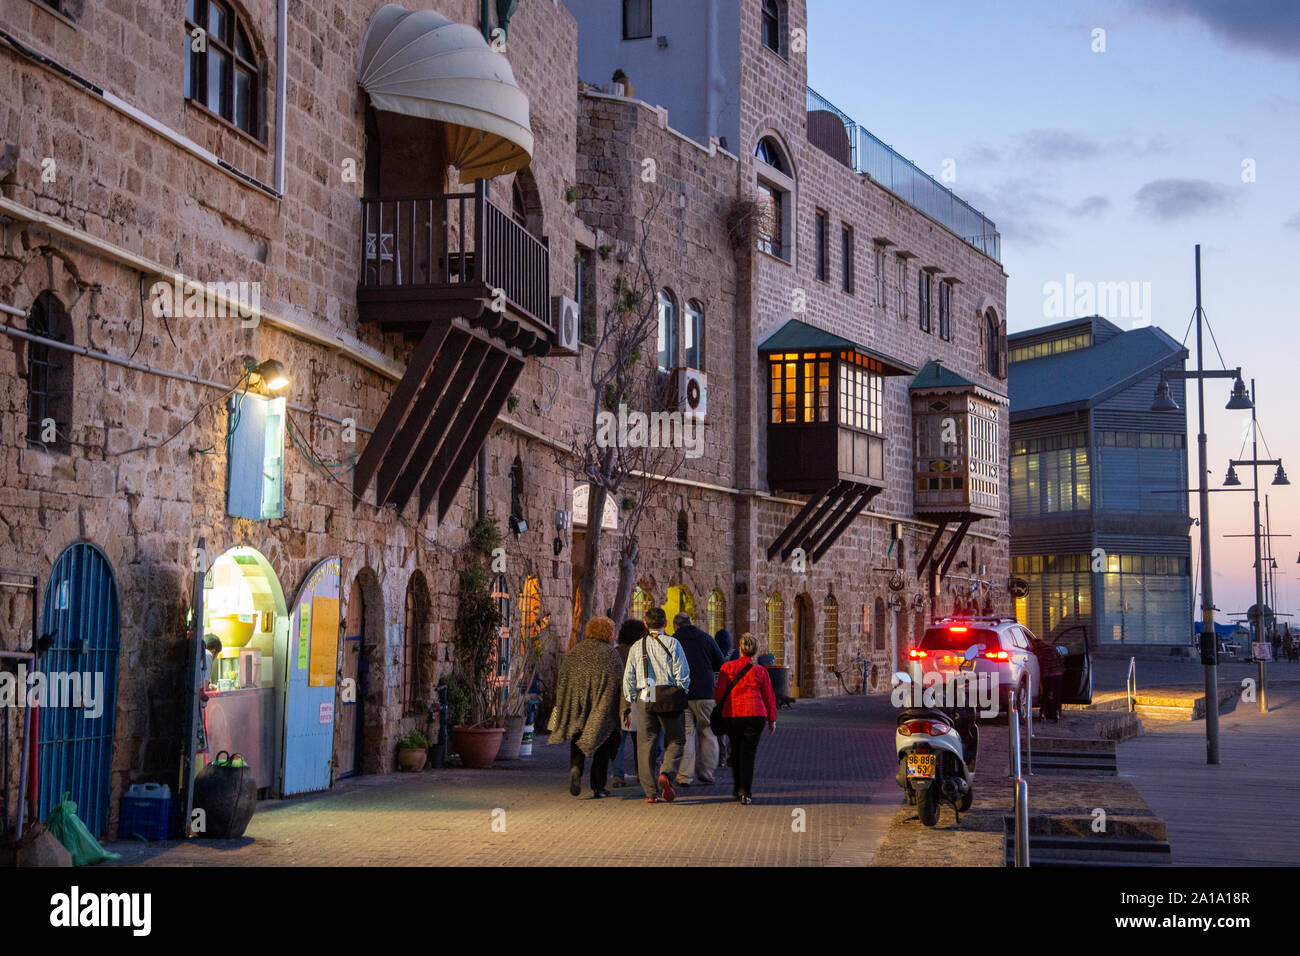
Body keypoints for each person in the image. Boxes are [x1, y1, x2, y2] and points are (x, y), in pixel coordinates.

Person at [548, 616, 624, 798]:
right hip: (601, 706)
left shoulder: (576, 651)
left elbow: (564, 677)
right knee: (603, 743)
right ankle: (598, 787)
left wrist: (564, 702)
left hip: (577, 704)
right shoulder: (610, 654)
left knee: (577, 736)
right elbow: (618, 682)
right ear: (607, 632)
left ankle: (576, 767)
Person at [622, 606, 690, 803]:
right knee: (676, 739)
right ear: (666, 623)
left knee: (646, 744)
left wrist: (629, 701)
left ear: (645, 624)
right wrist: (680, 691)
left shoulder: (637, 647)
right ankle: (666, 773)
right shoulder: (673, 643)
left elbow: (629, 677)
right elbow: (683, 674)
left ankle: (650, 792)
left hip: (647, 693)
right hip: (667, 692)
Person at [714, 633, 776, 804]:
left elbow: (719, 694)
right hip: (756, 715)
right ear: (755, 652)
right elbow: (769, 696)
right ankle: (745, 792)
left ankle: (737, 787)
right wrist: (772, 719)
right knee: (748, 753)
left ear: (740, 649)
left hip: (733, 714)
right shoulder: (760, 671)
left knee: (735, 749)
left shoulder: (727, 668)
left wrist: (721, 708)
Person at [672, 612, 725, 786]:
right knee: (708, 732)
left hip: (682, 694)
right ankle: (707, 772)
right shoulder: (706, 638)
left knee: (687, 734)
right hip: (705, 693)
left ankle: (684, 775)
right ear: (690, 622)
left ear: (676, 625)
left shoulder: (673, 640)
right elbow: (720, 663)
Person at [611, 619, 648, 787]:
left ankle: (618, 775)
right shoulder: (642, 652)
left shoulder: (615, 652)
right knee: (640, 741)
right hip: (639, 702)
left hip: (619, 702)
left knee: (619, 742)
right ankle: (642, 774)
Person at [1030, 638, 1064, 721]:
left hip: (1048, 675)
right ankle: (1057, 713)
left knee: (1045, 694)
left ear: (1035, 644)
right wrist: (1061, 669)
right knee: (1057, 695)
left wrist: (1041, 678)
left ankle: (1042, 713)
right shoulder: (1052, 647)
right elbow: (1061, 658)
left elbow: (1040, 663)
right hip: (1058, 674)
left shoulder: (1037, 650)